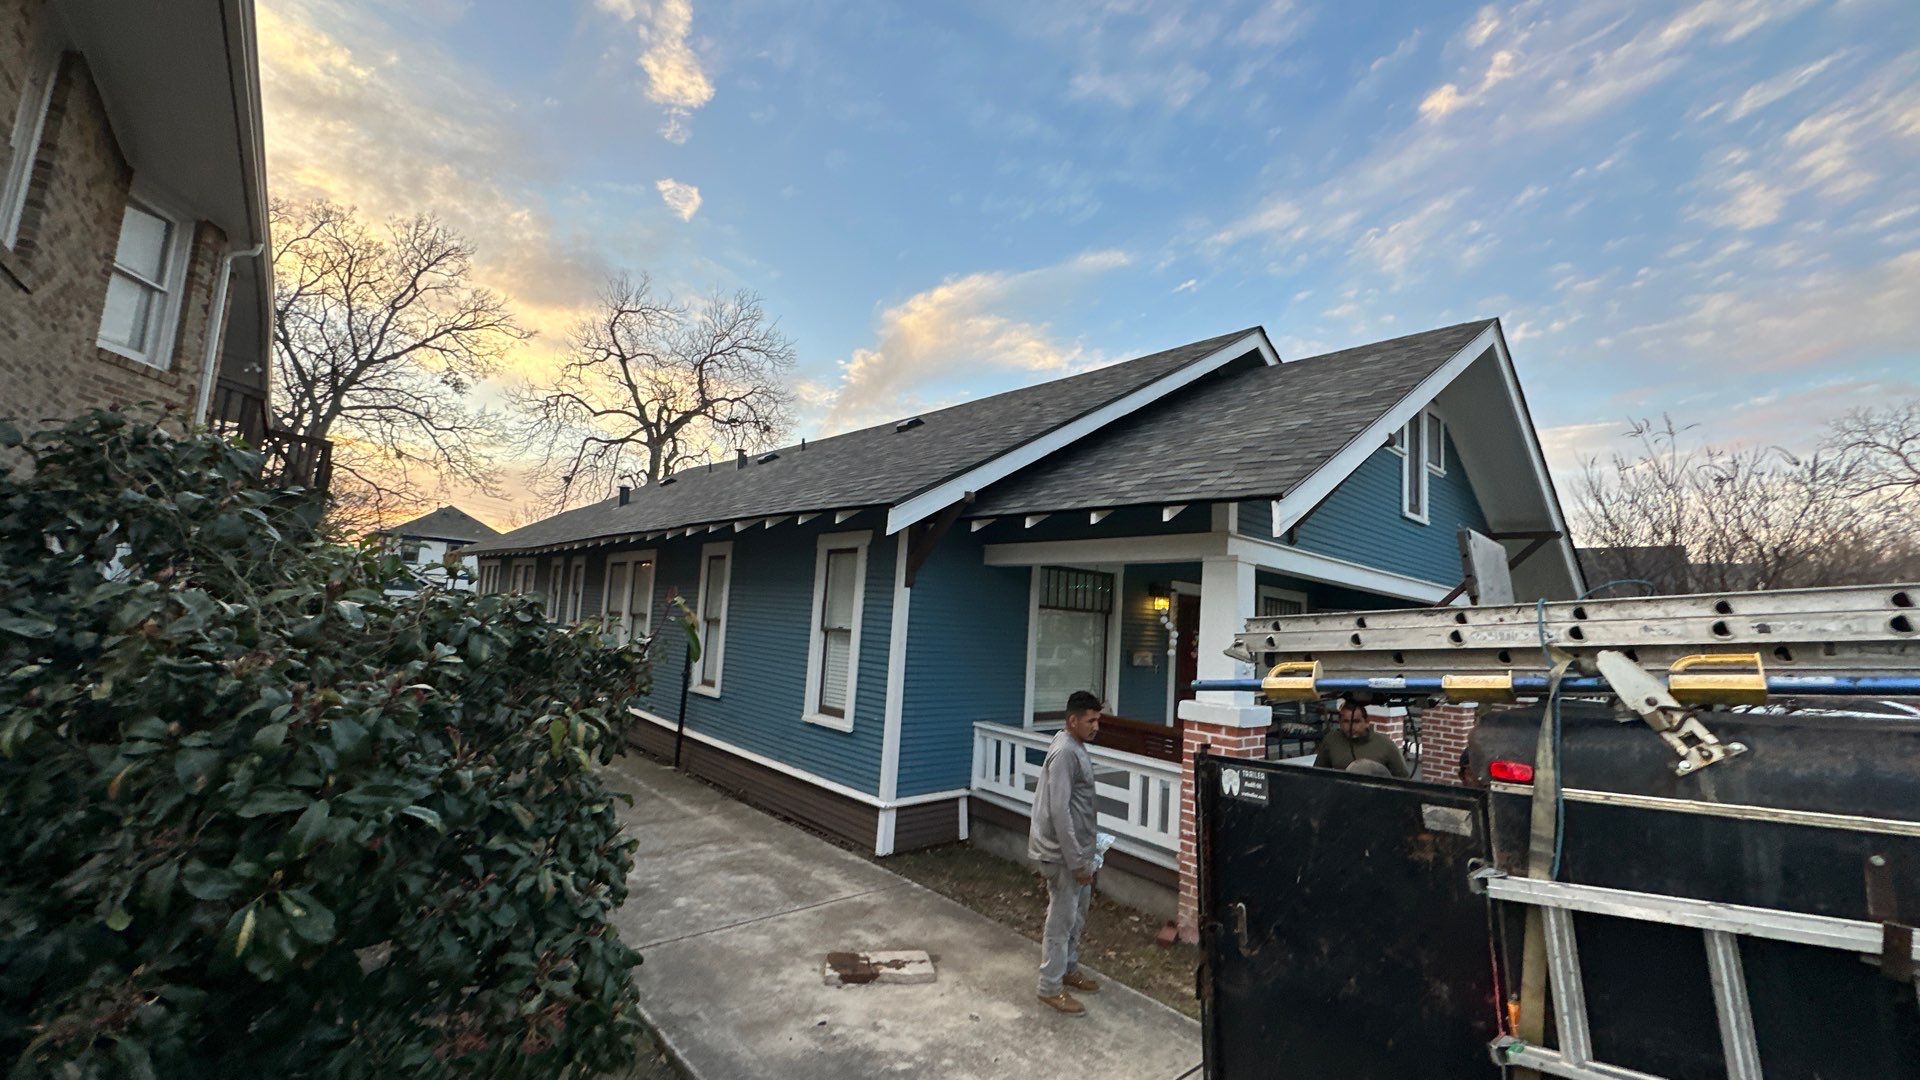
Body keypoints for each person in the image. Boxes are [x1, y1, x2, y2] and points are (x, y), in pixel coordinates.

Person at [1028, 689, 1103, 1016]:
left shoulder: (1076, 746)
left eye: (1098, 720)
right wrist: (1076, 863)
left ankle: (1068, 969)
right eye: (1090, 720)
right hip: (1061, 856)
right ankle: (1050, 987)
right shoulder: (1064, 753)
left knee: (1076, 915)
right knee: (1060, 922)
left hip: (1079, 852)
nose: (1096, 726)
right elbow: (1059, 811)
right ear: (1073, 720)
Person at [1312, 693, 1412, 778]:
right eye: (1346, 721)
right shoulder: (1331, 740)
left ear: (1367, 722)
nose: (1351, 727)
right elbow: (1317, 775)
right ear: (1340, 722)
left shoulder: (1386, 745)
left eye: (1356, 721)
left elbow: (1404, 780)